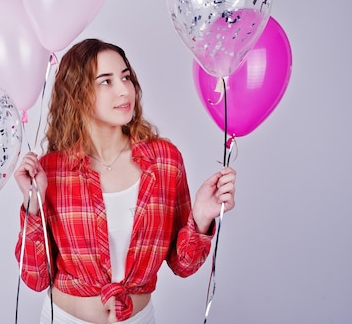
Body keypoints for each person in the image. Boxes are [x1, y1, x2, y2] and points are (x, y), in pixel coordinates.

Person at [14, 38, 236, 324]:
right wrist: (33, 206)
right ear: (77, 93)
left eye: (126, 77)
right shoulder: (52, 170)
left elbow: (184, 265)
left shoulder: (164, 161)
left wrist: (202, 218)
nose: (124, 90)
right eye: (105, 81)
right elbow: (35, 277)